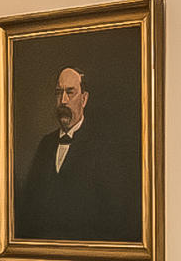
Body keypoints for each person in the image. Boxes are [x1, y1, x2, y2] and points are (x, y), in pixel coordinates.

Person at [15, 64, 138, 243]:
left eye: (70, 92)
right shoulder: (45, 145)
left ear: (84, 99)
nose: (63, 100)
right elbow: (30, 206)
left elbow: (115, 215)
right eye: (59, 92)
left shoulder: (103, 146)